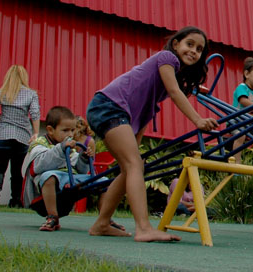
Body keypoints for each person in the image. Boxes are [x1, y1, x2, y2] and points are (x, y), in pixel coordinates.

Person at [85, 26, 218, 242]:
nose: (194, 51)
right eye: (189, 44)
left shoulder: (166, 81)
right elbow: (175, 93)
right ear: (176, 44)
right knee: (133, 165)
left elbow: (146, 109)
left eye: (199, 49)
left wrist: (136, 145)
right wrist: (198, 120)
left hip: (116, 112)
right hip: (109, 106)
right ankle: (144, 228)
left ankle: (101, 223)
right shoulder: (167, 58)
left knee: (130, 167)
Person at [22, 106, 92, 231]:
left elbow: (80, 170)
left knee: (102, 181)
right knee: (50, 176)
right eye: (65, 130)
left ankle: (106, 219)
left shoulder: (69, 148)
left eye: (72, 130)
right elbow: (39, 165)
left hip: (67, 182)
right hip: (45, 188)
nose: (70, 134)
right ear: (50, 130)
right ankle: (52, 217)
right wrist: (61, 149)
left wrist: (84, 158)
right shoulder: (39, 143)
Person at [0, 65, 41, 207]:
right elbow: (35, 114)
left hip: (3, 134)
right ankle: (15, 200)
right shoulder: (31, 94)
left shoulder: (0, 93)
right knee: (16, 170)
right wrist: (35, 133)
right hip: (22, 136)